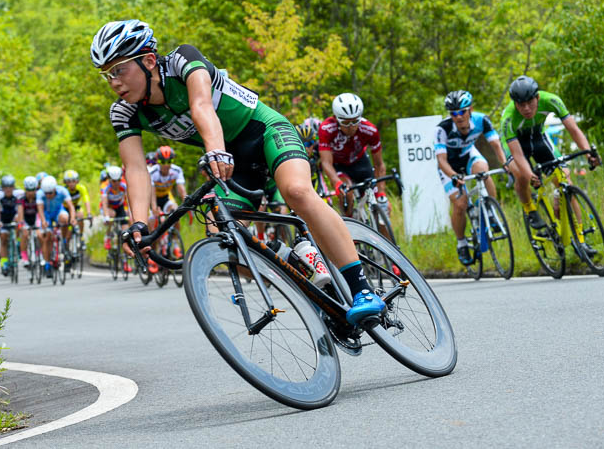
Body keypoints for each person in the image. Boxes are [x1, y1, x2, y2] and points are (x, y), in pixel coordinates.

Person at [91, 19, 384, 325]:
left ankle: (362, 289)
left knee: (296, 192)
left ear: (148, 60)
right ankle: (301, 266)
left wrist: (215, 150)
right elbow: (136, 169)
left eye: (119, 69)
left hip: (265, 131)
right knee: (224, 243)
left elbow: (202, 105)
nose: (113, 81)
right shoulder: (124, 112)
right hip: (233, 160)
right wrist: (139, 223)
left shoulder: (181, 61)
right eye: (106, 74)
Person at [500, 75, 600, 251]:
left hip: (539, 138)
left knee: (566, 181)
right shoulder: (508, 117)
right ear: (515, 104)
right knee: (521, 174)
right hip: (516, 144)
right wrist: (530, 174)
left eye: (530, 102)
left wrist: (588, 154)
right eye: (520, 104)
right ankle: (530, 208)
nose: (526, 108)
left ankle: (580, 239)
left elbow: (573, 130)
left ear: (537, 97)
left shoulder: (551, 100)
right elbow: (518, 155)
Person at [435, 90, 508, 265]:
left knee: (483, 170)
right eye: (454, 113)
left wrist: (506, 164)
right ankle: (461, 243)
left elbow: (496, 145)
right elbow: (441, 160)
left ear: (471, 110)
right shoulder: (443, 129)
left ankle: (489, 210)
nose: (458, 117)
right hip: (449, 166)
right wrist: (453, 176)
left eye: (462, 112)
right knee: (460, 204)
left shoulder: (481, 120)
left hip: (468, 156)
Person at [318, 93, 393, 241]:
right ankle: (350, 228)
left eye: (355, 121)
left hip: (360, 163)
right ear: (336, 118)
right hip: (339, 166)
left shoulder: (370, 130)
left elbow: (379, 164)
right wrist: (336, 183)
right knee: (347, 192)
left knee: (382, 208)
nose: (351, 127)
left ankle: (392, 260)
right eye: (346, 122)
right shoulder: (327, 129)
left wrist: (381, 192)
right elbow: (326, 162)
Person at [37, 175, 76, 278]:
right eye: (46, 193)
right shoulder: (40, 194)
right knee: (48, 237)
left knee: (65, 218)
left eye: (50, 193)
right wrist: (43, 221)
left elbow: (71, 206)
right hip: (47, 214)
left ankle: (63, 241)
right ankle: (47, 263)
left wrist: (72, 218)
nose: (48, 195)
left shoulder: (62, 191)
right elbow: (40, 210)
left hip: (58, 211)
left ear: (54, 189)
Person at [102, 165, 133, 273]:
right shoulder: (106, 188)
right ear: (110, 180)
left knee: (125, 233)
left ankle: (124, 262)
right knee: (112, 214)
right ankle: (108, 236)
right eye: (114, 181)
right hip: (110, 208)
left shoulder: (123, 186)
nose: (116, 183)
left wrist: (130, 213)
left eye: (118, 180)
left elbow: (129, 201)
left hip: (119, 207)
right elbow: (105, 205)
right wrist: (106, 216)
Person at [0, 175, 24, 275]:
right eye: (6, 187)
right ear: (2, 188)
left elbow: (20, 208)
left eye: (10, 187)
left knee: (18, 220)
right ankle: (4, 263)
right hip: (3, 218)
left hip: (14, 216)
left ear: (14, 187)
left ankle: (18, 242)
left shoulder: (19, 194)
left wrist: (20, 221)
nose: (8, 189)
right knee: (3, 239)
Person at [17, 176, 41, 267]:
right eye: (28, 190)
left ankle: (39, 252)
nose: (31, 192)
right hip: (26, 218)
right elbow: (20, 213)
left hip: (36, 217)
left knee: (39, 234)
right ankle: (24, 257)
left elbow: (40, 211)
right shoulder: (21, 199)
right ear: (25, 189)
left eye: (33, 190)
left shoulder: (39, 197)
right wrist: (22, 225)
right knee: (25, 234)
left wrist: (39, 225)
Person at [63, 169, 92, 235]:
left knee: (81, 215)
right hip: (65, 208)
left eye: (73, 181)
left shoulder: (81, 188)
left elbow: (86, 200)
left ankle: (81, 236)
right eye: (69, 181)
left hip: (76, 207)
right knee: (68, 233)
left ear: (77, 181)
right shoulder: (64, 190)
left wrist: (89, 213)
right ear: (66, 182)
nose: (71, 183)